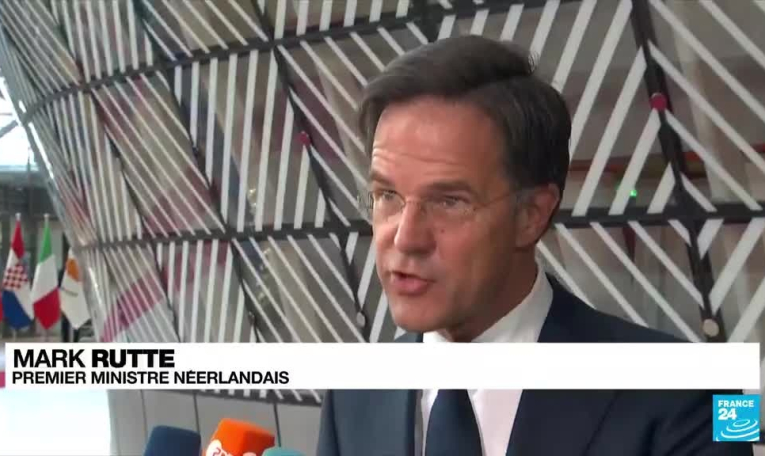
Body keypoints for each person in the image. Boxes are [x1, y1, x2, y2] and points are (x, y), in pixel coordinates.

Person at [316, 36, 751, 456]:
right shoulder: (352, 394)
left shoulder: (694, 393)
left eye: (449, 202)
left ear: (532, 215)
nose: (405, 237)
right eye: (387, 196)